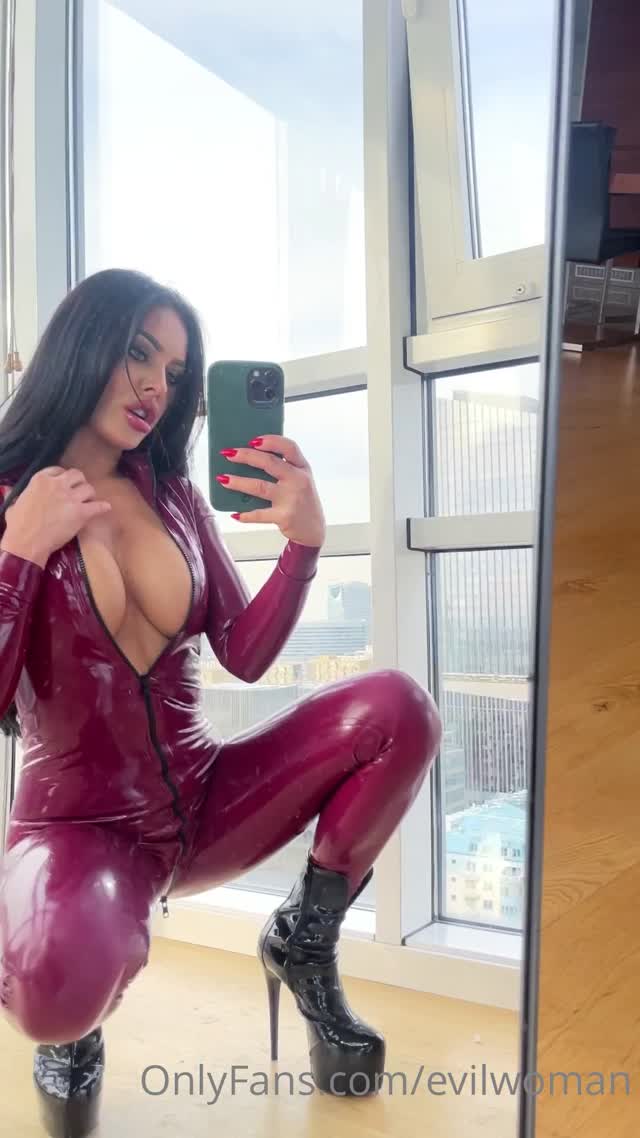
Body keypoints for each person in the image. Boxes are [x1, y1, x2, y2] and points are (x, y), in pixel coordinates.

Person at [0, 268, 442, 1136]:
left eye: (174, 372)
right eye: (138, 354)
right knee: (54, 997)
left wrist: (303, 547)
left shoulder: (173, 498)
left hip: (207, 806)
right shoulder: (11, 498)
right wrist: (18, 554)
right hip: (80, 832)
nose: (155, 387)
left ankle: (303, 944)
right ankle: (73, 987)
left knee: (398, 709)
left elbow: (244, 652)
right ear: (81, 346)